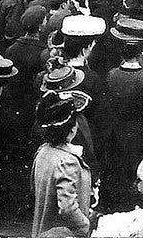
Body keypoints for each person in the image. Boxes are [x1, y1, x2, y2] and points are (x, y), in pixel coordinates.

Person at [30, 91, 94, 238]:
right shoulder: (67, 161)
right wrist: (85, 226)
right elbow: (67, 208)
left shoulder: (43, 152)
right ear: (72, 129)